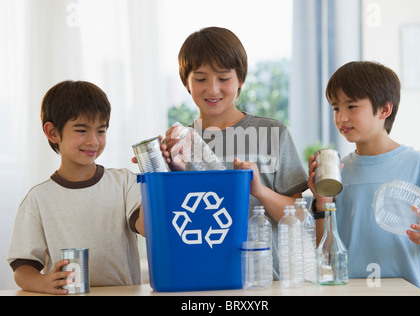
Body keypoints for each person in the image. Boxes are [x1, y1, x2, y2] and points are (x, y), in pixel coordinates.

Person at [161, 27, 309, 279]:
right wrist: (164, 168)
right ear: (186, 82)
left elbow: (300, 219)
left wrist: (260, 191)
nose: (213, 89)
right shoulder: (179, 145)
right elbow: (169, 221)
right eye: (200, 79)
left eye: (223, 77)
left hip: (265, 282)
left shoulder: (272, 133)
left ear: (240, 78)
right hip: (200, 278)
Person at [308, 61, 420, 295]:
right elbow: (326, 249)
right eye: (335, 108)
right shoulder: (339, 171)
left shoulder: (419, 164)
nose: (341, 117)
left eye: (351, 106)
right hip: (351, 290)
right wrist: (322, 202)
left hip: (412, 290)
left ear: (385, 109)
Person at [7, 81, 146, 295]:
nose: (93, 141)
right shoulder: (38, 199)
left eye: (101, 130)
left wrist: (155, 177)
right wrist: (44, 283)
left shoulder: (124, 182)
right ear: (53, 132)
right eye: (81, 130)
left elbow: (147, 228)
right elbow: (22, 269)